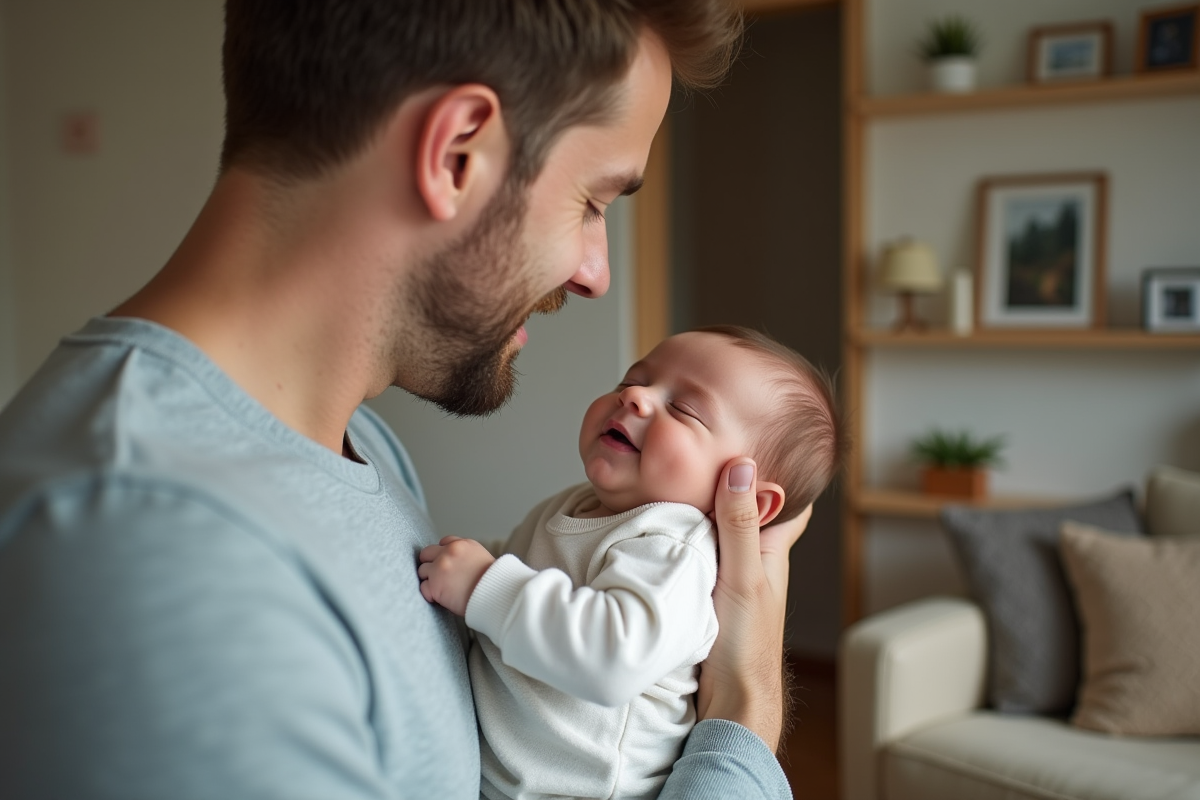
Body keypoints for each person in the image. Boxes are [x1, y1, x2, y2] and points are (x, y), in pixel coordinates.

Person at [0, 3, 811, 798]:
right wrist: (741, 721)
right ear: (457, 152)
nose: (595, 274)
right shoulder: (155, 563)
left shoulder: (356, 442)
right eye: (594, 202)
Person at [419, 325, 843, 800]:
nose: (636, 397)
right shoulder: (579, 504)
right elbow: (524, 562)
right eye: (630, 380)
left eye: (683, 408)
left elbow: (611, 657)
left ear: (744, 495)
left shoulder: (675, 551)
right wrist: (470, 559)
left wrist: (482, 583)